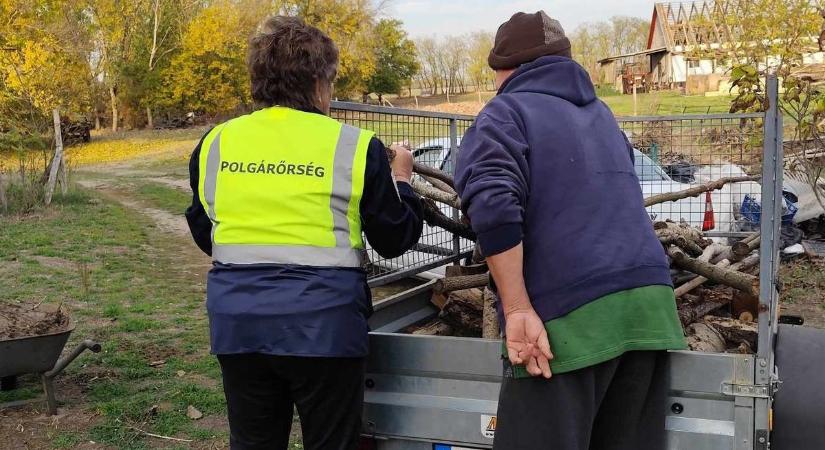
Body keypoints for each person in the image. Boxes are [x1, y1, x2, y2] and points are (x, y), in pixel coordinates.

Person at [185, 16, 423, 450]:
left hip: (240, 328)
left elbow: (206, 231)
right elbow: (395, 238)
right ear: (319, 82)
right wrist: (402, 182)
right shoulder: (353, 145)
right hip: (325, 330)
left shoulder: (215, 143)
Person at [454, 11, 687, 450]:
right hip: (648, 309)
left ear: (505, 68)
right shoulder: (602, 115)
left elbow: (493, 206)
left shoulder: (505, 112)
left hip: (569, 319)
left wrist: (518, 306)